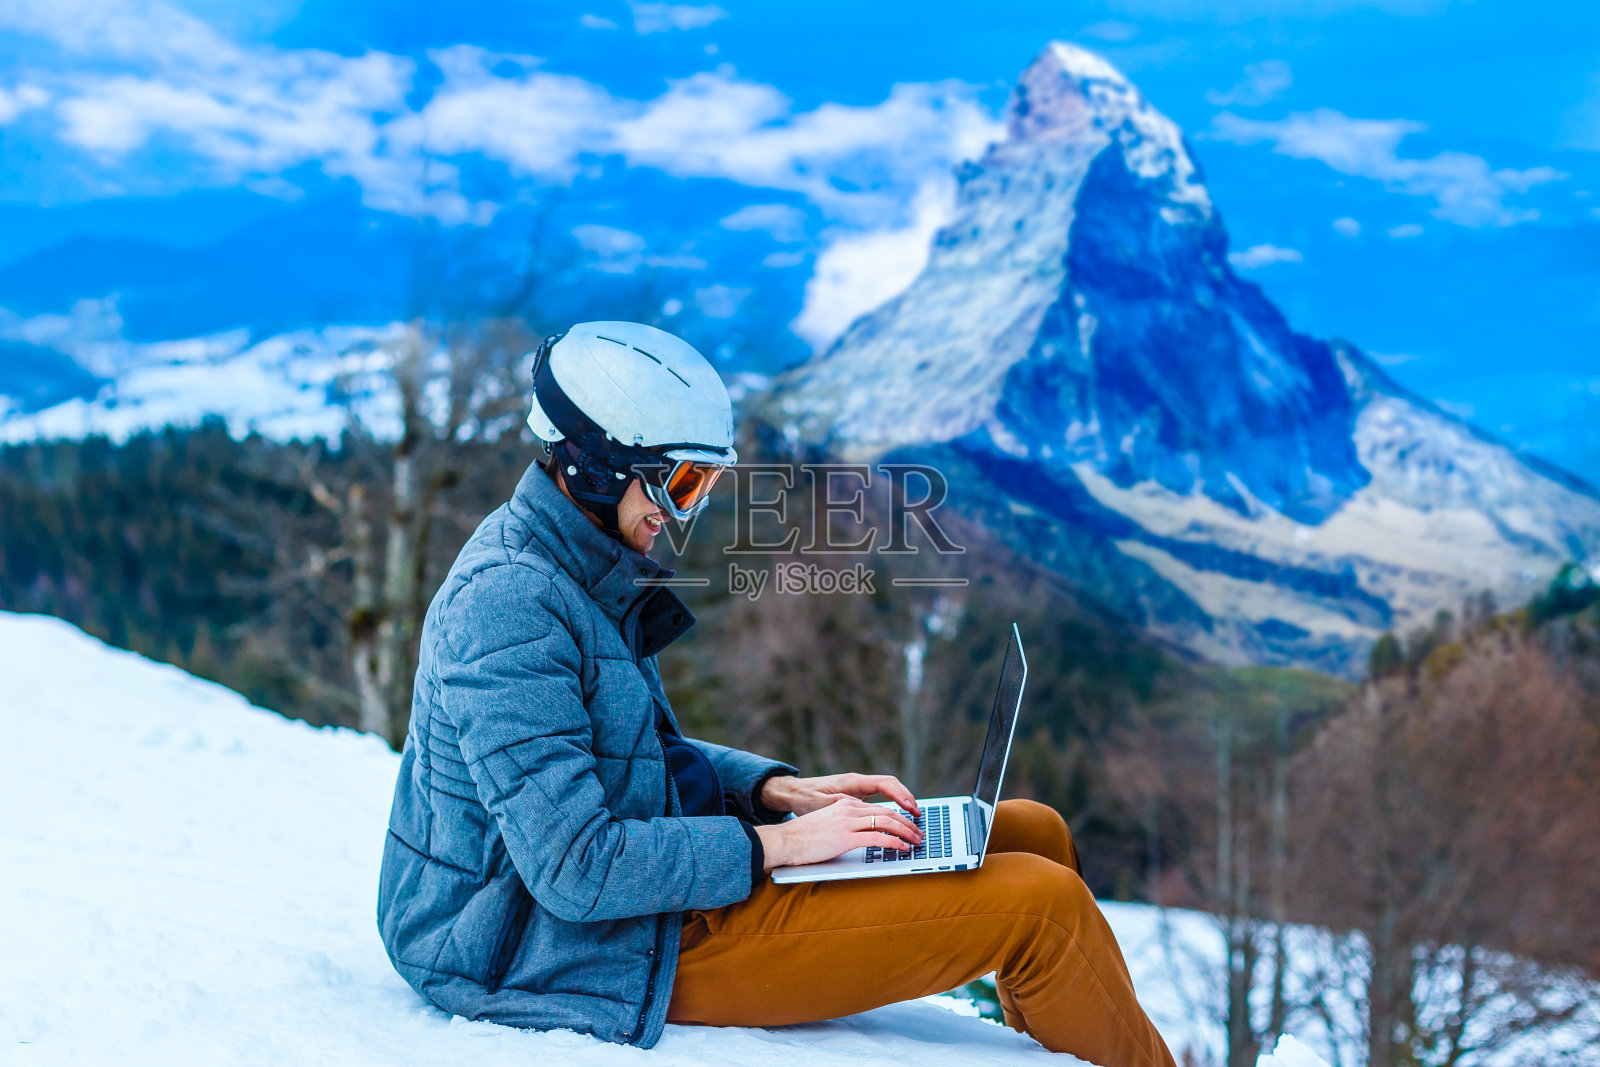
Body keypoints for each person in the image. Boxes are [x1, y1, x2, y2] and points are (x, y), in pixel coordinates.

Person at [376, 321, 1176, 1066]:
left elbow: (637, 754)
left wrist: (777, 791)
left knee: (1034, 832)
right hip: (564, 946)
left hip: (642, 898)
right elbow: (577, 868)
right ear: (595, 467)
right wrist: (785, 844)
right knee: (1041, 908)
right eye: (678, 484)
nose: (683, 512)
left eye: (701, 484)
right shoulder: (509, 605)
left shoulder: (581, 565)